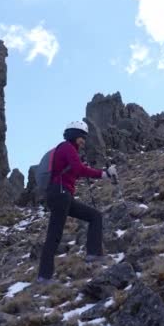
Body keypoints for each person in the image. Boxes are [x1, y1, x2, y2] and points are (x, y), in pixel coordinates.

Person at [37, 121, 118, 284]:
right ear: (74, 135)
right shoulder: (67, 147)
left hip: (61, 195)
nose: (83, 141)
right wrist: (104, 174)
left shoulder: (66, 149)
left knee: (95, 216)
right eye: (82, 137)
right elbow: (78, 169)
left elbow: (75, 170)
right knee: (54, 235)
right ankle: (44, 276)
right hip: (61, 194)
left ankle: (93, 254)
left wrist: (88, 170)